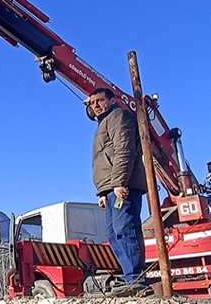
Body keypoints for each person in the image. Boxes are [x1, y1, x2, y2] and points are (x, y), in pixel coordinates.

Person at [87, 88, 147, 291]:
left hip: (122, 184)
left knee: (125, 229)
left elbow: (124, 150)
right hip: (110, 188)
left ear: (112, 100)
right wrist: (103, 192)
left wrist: (119, 182)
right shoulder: (103, 122)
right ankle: (131, 278)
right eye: (91, 102)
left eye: (100, 100)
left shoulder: (119, 117)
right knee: (114, 234)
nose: (95, 105)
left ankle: (136, 279)